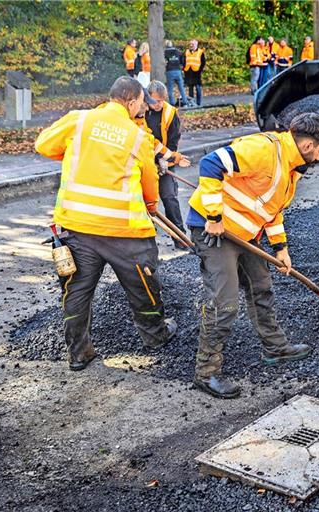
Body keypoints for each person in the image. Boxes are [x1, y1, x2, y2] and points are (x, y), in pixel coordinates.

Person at [185, 113, 319, 399]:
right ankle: (206, 373)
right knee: (224, 302)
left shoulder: (291, 168)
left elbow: (272, 210)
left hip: (246, 234)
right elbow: (211, 163)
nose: (317, 158)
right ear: (308, 145)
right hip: (215, 231)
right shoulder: (265, 149)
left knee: (261, 287)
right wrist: (214, 216)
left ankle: (275, 347)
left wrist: (281, 249)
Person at [34, 76, 178, 371]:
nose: (143, 107)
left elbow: (43, 145)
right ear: (131, 101)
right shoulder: (135, 136)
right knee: (143, 286)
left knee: (76, 291)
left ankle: (78, 353)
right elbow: (150, 181)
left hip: (77, 228)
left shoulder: (79, 121)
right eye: (141, 102)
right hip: (125, 232)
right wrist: (150, 205)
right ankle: (155, 335)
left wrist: (77, 154)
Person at [141, 80, 187, 249]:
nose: (158, 104)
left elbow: (174, 140)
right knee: (144, 201)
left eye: (161, 100)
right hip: (146, 161)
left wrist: (166, 161)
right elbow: (143, 139)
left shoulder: (170, 113)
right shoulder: (142, 111)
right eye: (155, 101)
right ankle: (147, 240)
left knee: (169, 196)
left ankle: (179, 236)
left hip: (166, 159)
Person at [165, 40, 189, 107]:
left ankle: (172, 103)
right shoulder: (177, 51)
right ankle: (185, 102)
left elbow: (163, 61)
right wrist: (182, 66)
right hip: (178, 71)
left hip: (170, 71)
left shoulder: (165, 52)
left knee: (170, 88)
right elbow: (183, 59)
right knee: (181, 87)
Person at [184, 39, 206, 107]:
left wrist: (200, 70)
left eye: (192, 44)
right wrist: (184, 69)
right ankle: (192, 103)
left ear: (196, 45)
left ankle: (198, 103)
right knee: (190, 88)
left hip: (196, 73)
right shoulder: (187, 51)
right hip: (188, 72)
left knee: (198, 88)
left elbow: (203, 62)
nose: (191, 45)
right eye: (190, 44)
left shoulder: (200, 52)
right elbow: (183, 60)